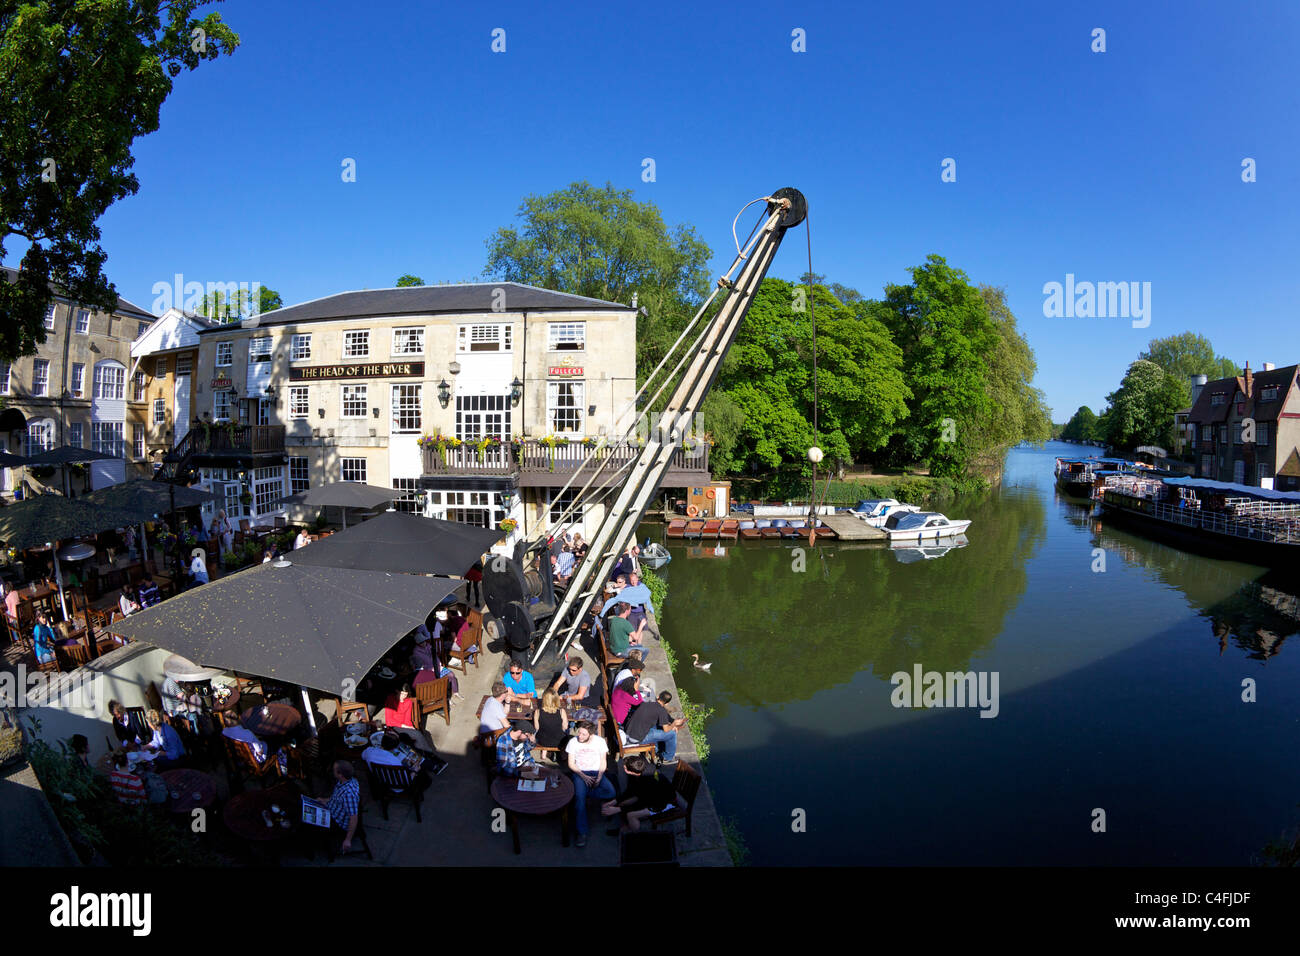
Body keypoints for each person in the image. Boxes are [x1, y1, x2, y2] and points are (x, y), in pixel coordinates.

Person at [565, 720, 615, 847]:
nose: (579, 736)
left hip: (596, 771)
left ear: (591, 735)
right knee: (579, 801)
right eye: (579, 733)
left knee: (611, 792)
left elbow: (603, 761)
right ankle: (582, 832)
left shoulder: (600, 741)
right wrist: (583, 776)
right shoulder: (573, 742)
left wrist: (599, 776)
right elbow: (571, 763)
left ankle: (585, 794)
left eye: (583, 734)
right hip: (580, 772)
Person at [600, 753, 677, 834]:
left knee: (631, 815)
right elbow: (631, 790)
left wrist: (618, 810)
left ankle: (632, 833)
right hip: (649, 797)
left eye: (625, 767)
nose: (623, 767)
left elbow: (643, 803)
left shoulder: (649, 780)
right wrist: (614, 801)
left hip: (664, 803)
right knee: (623, 803)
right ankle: (626, 826)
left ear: (630, 771)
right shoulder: (639, 770)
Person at [623, 690, 686, 764]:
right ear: (667, 703)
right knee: (672, 734)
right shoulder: (661, 711)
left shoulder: (645, 703)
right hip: (637, 740)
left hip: (628, 732)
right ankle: (667, 758)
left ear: (658, 696)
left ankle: (656, 750)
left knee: (657, 725)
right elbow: (666, 730)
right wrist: (673, 724)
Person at [362, 731, 433, 792]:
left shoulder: (369, 751)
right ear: (395, 747)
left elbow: (363, 756)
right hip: (397, 787)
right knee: (420, 770)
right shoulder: (395, 762)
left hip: (381, 780)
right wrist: (415, 771)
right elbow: (406, 781)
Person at [326, 761, 361, 854]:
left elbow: (353, 818)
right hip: (331, 809)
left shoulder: (349, 794)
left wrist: (347, 840)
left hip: (336, 822)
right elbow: (337, 798)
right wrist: (325, 800)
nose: (332, 771)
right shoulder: (346, 780)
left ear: (340, 774)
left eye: (334, 770)